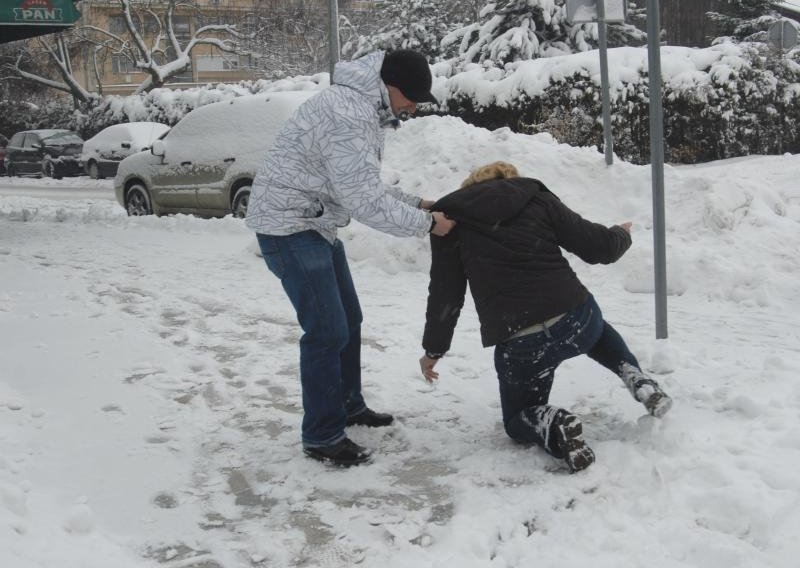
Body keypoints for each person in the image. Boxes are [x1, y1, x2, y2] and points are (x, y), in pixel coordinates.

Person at [245, 50, 455, 467]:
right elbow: (363, 202)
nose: (413, 105)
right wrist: (427, 224)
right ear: (390, 86)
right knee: (326, 330)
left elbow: (360, 185)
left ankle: (347, 404)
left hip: (313, 222)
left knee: (348, 320)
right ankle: (322, 435)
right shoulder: (349, 113)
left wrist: (420, 203)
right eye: (411, 97)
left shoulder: (360, 106)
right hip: (289, 227)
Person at [419, 162, 672, 473]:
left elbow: (446, 292)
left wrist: (434, 349)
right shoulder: (535, 198)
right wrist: (620, 234)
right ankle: (638, 378)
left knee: (517, 419)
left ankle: (554, 424)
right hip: (577, 318)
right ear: (511, 180)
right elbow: (599, 248)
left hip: (522, 339)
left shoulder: (449, 220)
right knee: (596, 327)